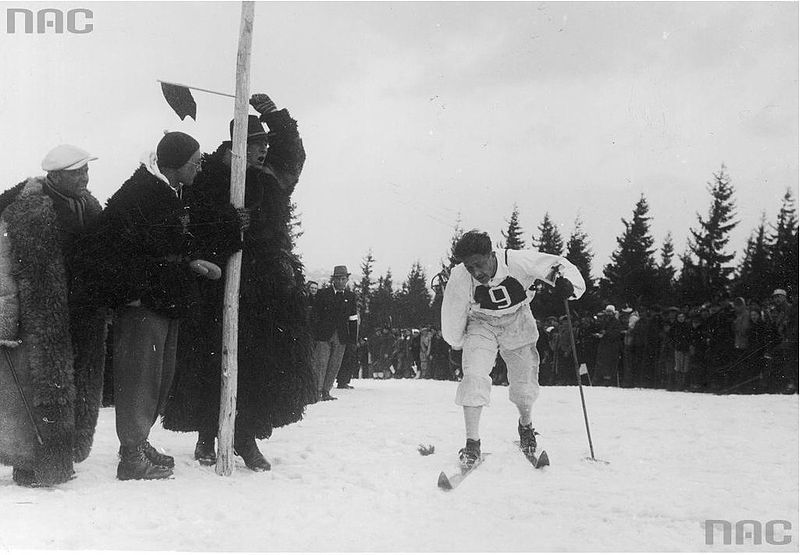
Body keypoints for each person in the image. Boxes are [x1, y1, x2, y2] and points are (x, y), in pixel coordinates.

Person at [162, 94, 315, 471]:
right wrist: (231, 222)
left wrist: (276, 116)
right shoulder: (215, 172)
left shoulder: (274, 179)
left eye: (265, 144)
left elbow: (294, 156)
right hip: (219, 279)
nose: (262, 151)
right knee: (210, 356)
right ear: (237, 145)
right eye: (255, 144)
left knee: (254, 360)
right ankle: (205, 435)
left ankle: (245, 436)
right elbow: (198, 219)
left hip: (262, 286)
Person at [85, 132, 221, 480]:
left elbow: (159, 247)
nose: (200, 167)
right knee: (139, 379)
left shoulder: (167, 193)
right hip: (142, 303)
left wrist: (188, 264)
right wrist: (135, 289)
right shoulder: (139, 195)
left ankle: (138, 441)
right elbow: (111, 250)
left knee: (159, 376)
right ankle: (131, 456)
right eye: (196, 162)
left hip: (162, 298)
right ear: (175, 164)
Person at [0, 145, 107, 487]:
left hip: (80, 310)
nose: (85, 178)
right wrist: (7, 316)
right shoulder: (25, 209)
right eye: (78, 173)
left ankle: (61, 459)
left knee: (73, 385)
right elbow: (4, 266)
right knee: (40, 391)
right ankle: (32, 466)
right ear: (56, 175)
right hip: (41, 312)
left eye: (86, 172)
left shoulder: (89, 205)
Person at [441, 230, 585, 467]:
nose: (476, 273)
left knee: (523, 382)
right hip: (481, 322)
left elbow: (559, 265)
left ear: (491, 254)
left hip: (517, 320)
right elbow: (452, 310)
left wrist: (570, 286)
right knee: (474, 376)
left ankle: (526, 425)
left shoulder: (517, 261)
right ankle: (472, 443)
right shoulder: (460, 277)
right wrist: (455, 343)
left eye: (479, 264)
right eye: (470, 267)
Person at [310, 265, 358, 400]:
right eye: (340, 279)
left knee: (334, 364)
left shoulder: (350, 296)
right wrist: (315, 332)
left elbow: (353, 319)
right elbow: (315, 315)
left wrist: (353, 340)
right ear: (334, 280)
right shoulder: (322, 294)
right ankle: (316, 391)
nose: (343, 282)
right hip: (323, 335)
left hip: (341, 336)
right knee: (321, 363)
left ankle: (326, 391)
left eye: (345, 279)